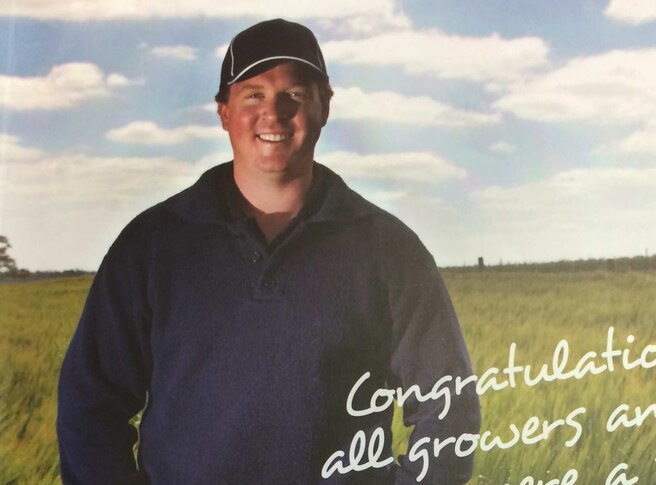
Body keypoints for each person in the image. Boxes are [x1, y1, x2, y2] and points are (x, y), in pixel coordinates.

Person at [57, 19, 480, 484]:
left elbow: (448, 408)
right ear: (223, 112)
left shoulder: (390, 250)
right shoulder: (151, 245)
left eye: (294, 95)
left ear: (324, 106)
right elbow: (89, 406)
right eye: (253, 95)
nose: (273, 114)